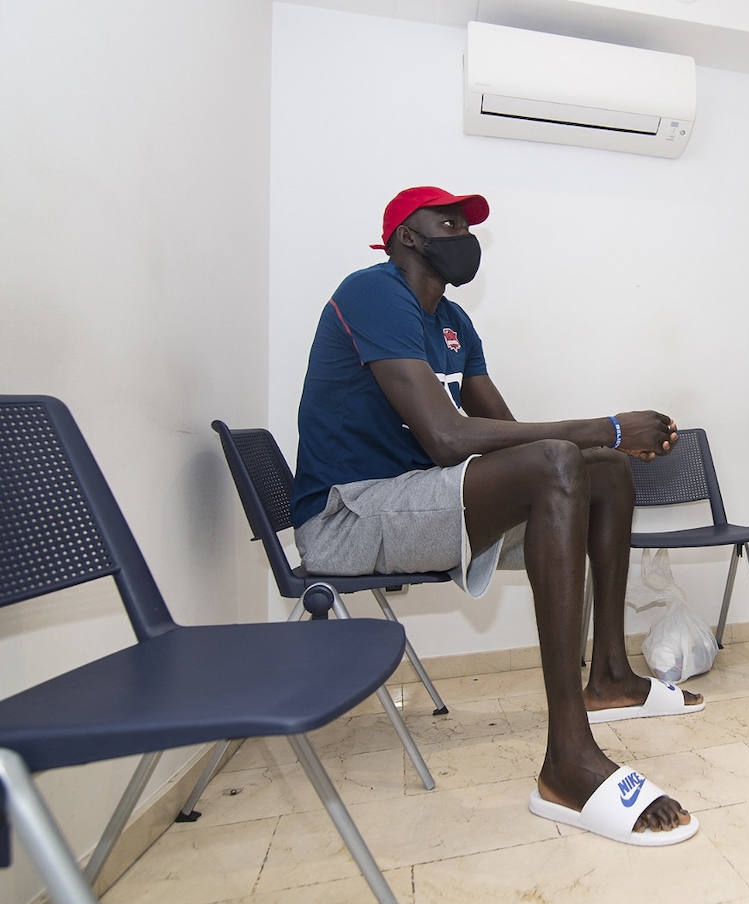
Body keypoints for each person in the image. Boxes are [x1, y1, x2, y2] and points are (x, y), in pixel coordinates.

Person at [290, 186, 701, 845]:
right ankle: (568, 757)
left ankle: (611, 673)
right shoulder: (373, 292)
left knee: (603, 471)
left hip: (421, 496)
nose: (462, 232)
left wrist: (604, 444)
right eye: (446, 221)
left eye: (467, 222)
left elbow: (512, 439)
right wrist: (610, 424)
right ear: (405, 236)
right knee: (578, 457)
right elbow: (449, 439)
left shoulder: (453, 322)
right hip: (348, 515)